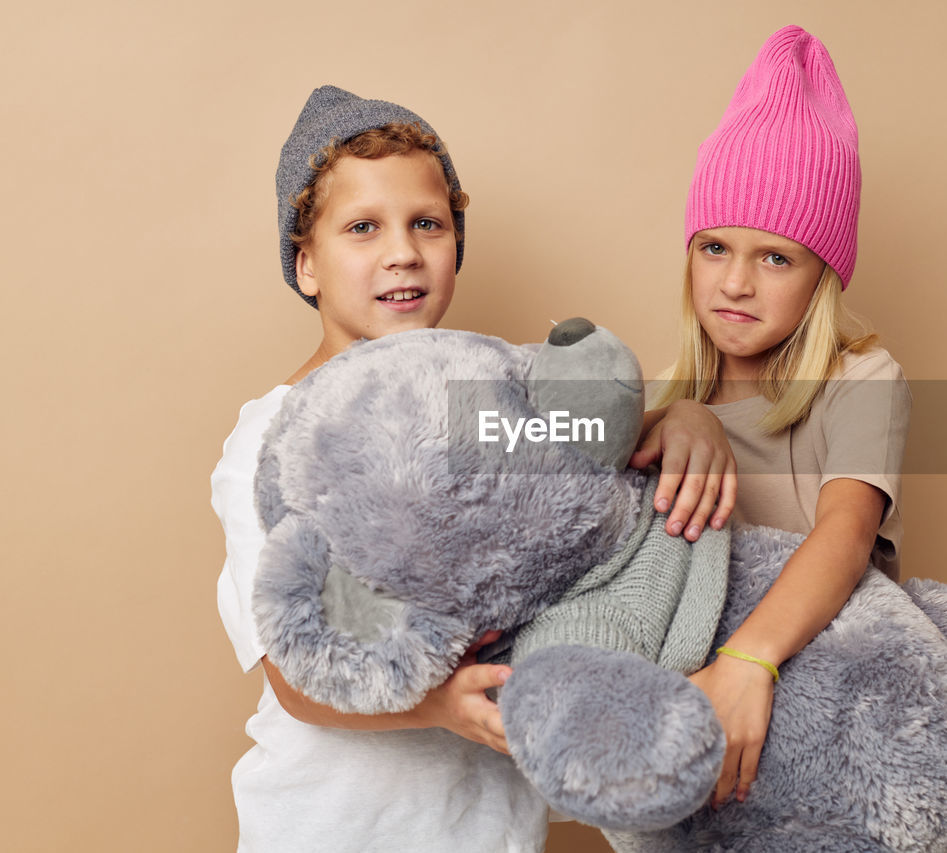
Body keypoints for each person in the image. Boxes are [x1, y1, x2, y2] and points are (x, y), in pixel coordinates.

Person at [212, 85, 734, 853]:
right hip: (328, 827)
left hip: (490, 830)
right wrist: (438, 707)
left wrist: (684, 419)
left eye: (428, 223)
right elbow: (297, 682)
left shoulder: (491, 407)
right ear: (307, 264)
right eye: (363, 228)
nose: (403, 251)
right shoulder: (271, 440)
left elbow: (594, 483)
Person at [648, 26, 911, 811]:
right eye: (714, 247)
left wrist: (750, 662)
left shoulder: (862, 378)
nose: (735, 283)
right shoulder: (664, 399)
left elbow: (847, 533)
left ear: (822, 274)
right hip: (696, 727)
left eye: (775, 258)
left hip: (825, 714)